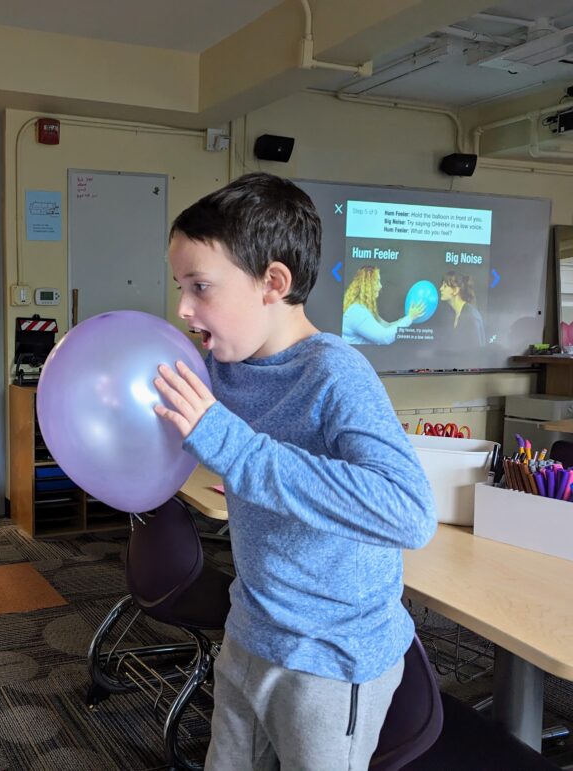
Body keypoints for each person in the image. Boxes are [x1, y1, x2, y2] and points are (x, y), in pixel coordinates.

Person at [152, 172, 437, 770]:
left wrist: (239, 450)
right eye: (181, 286)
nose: (183, 307)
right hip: (250, 627)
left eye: (200, 286)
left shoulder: (335, 374)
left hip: (332, 656)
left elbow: (408, 513)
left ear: (272, 283)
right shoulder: (219, 369)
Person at [341, 265, 425, 344]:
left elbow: (387, 327)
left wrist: (409, 317)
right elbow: (384, 338)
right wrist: (410, 317)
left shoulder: (363, 308)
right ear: (367, 285)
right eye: (377, 281)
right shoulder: (357, 312)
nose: (380, 286)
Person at [440, 270, 485, 347]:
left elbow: (477, 353)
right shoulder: (454, 314)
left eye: (445, 286)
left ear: (456, 290)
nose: (440, 288)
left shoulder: (471, 316)